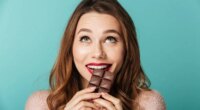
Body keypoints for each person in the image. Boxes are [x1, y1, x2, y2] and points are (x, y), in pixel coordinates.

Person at [25, 0, 166, 110]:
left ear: (127, 48)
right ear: (70, 47)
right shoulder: (41, 104)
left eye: (110, 39)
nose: (98, 53)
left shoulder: (148, 103)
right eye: (85, 38)